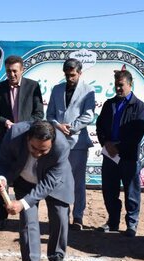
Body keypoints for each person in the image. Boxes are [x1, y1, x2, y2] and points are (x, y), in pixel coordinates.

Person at [0, 120, 73, 261]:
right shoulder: (15, 134)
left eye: (43, 150)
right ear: (28, 138)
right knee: (28, 222)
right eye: (33, 148)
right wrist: (2, 178)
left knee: (60, 216)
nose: (37, 153)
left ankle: (56, 256)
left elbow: (49, 183)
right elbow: (3, 161)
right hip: (24, 180)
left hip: (55, 182)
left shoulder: (62, 147)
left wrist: (22, 203)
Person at [0, 55, 44, 230]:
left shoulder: (33, 86)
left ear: (22, 70)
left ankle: (28, 216)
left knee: (28, 180)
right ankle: (1, 217)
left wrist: (24, 127)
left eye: (14, 71)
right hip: (5, 141)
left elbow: (39, 114)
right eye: (8, 71)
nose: (11, 74)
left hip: (27, 142)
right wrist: (6, 123)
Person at [95, 69, 144, 237]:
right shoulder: (109, 104)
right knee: (109, 190)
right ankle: (113, 221)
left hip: (128, 156)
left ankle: (131, 224)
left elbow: (137, 133)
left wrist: (119, 147)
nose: (118, 88)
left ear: (130, 85)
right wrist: (106, 143)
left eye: (121, 85)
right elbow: (100, 127)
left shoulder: (140, 106)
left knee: (131, 192)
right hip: (109, 155)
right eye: (116, 85)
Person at [46, 58, 95, 230]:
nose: (69, 78)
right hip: (58, 142)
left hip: (78, 144)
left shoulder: (88, 90)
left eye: (73, 75)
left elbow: (89, 115)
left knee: (78, 182)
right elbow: (49, 114)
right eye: (67, 75)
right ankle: (62, 216)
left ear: (80, 73)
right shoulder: (57, 89)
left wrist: (72, 128)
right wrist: (57, 126)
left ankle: (78, 217)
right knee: (59, 180)